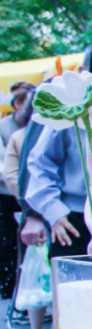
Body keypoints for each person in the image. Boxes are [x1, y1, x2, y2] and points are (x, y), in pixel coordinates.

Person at [0, 82, 34, 299]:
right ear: (18, 104)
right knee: (10, 243)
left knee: (29, 248)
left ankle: (27, 292)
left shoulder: (35, 127)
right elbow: (6, 170)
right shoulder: (5, 127)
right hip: (7, 194)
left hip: (30, 193)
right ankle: (11, 288)